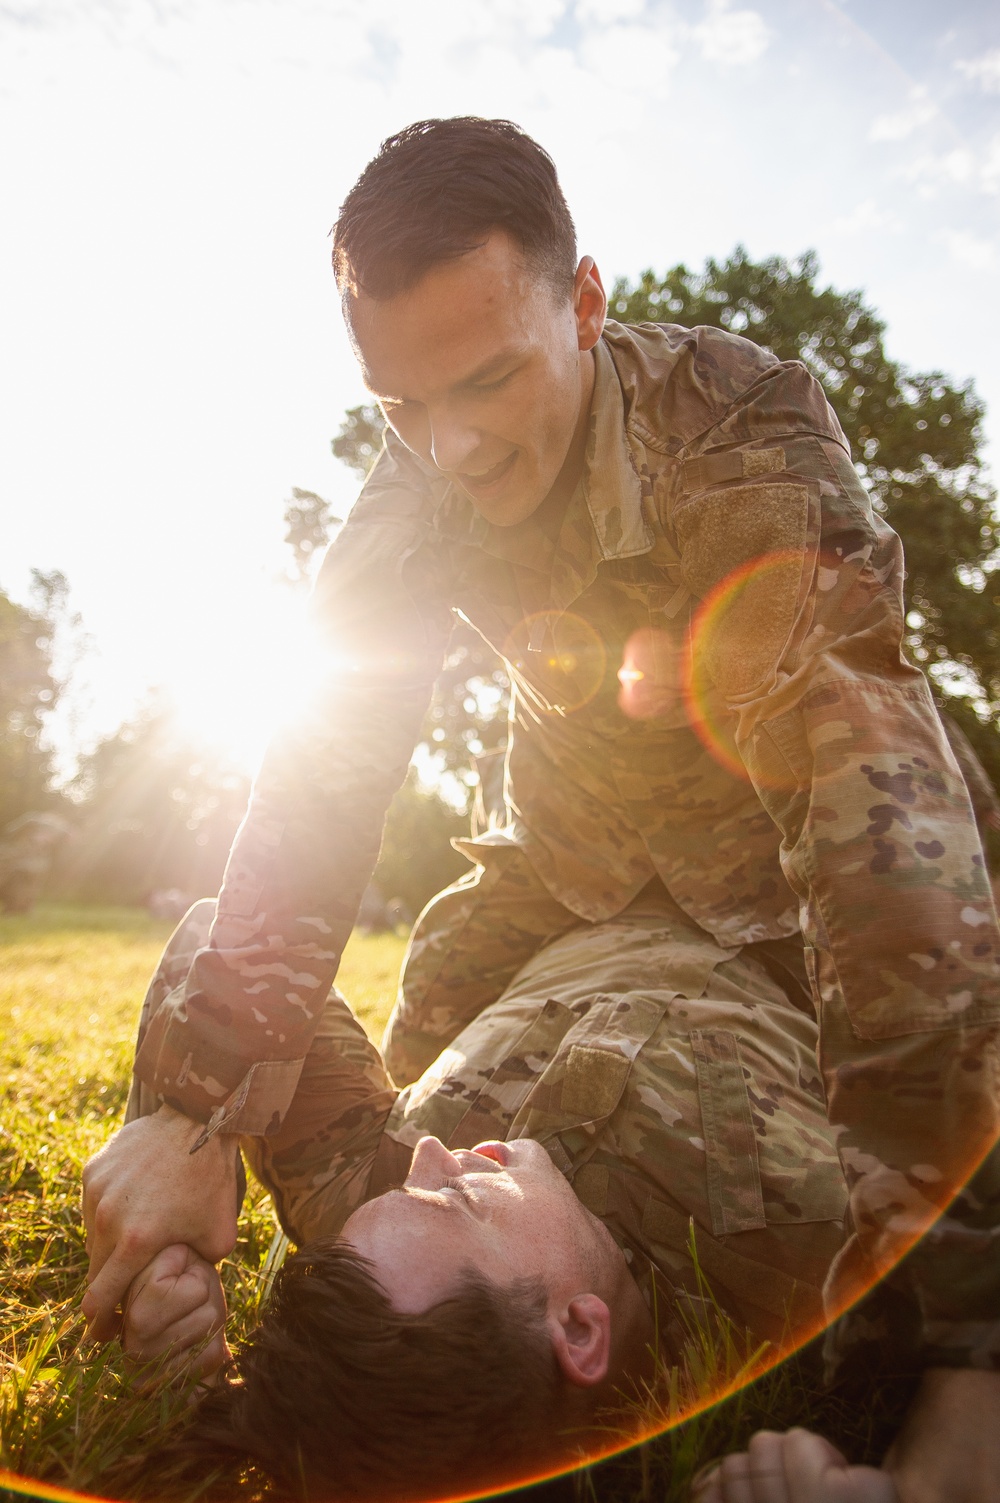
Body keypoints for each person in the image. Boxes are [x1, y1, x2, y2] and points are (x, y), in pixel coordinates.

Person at [82, 117, 1000, 1500]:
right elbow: (326, 756)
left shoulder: (738, 431)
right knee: (418, 1051)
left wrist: (968, 1362)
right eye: (401, 405)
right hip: (561, 886)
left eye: (489, 381)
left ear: (584, 303)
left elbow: (867, 791)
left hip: (783, 884)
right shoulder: (418, 479)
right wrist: (189, 1109)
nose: (446, 446)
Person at [110, 882, 852, 1500]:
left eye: (405, 1184)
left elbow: (219, 927)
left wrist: (183, 1145)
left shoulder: (360, 1191)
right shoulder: (813, 1263)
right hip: (792, 901)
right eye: (457, 1197)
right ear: (579, 1330)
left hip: (559, 885)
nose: (429, 1154)